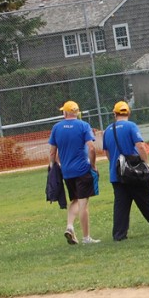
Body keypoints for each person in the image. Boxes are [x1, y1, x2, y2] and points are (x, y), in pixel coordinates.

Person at [101, 100, 149, 241]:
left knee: (121, 205)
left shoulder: (107, 130)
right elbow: (140, 146)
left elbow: (107, 153)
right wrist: (146, 164)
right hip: (134, 172)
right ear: (128, 112)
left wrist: (116, 166)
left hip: (117, 173)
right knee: (146, 201)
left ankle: (119, 235)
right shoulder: (131, 126)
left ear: (114, 114)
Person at [48, 100, 99, 245]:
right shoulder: (83, 126)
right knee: (83, 203)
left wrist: (53, 168)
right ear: (77, 112)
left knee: (75, 200)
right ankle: (86, 237)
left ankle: (70, 226)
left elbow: (52, 152)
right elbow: (91, 148)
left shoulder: (57, 127)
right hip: (83, 170)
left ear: (65, 112)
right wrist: (93, 165)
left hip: (67, 171)